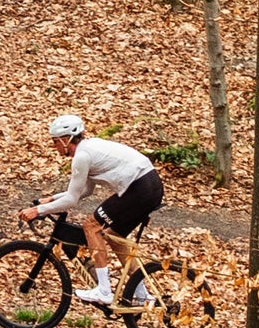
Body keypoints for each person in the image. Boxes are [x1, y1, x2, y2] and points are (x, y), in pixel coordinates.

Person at [21, 113, 161, 305]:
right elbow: (85, 190)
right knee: (114, 236)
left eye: (55, 142)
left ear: (65, 139)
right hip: (149, 185)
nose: (54, 147)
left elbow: (72, 200)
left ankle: (104, 291)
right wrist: (52, 199)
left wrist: (38, 211)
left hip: (139, 188)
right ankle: (142, 295)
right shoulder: (89, 149)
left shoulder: (82, 156)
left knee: (91, 226)